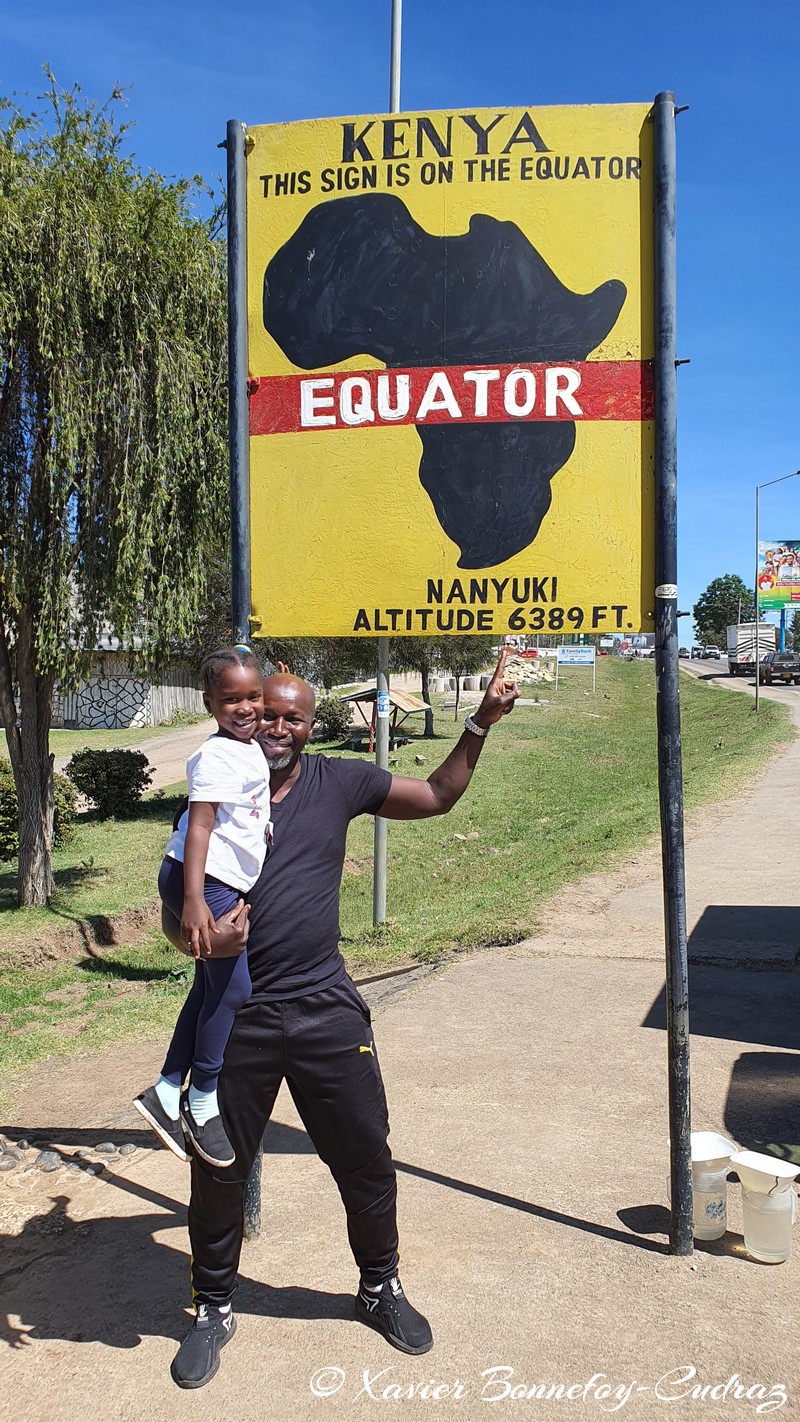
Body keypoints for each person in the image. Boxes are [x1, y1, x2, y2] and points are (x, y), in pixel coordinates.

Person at [163, 648, 518, 1390]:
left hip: (326, 1009)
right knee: (218, 1169)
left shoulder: (339, 780)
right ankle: (213, 1306)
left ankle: (379, 1286)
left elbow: (438, 797)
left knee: (363, 1159)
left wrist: (480, 724)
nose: (278, 726)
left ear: (309, 722)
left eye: (294, 715)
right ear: (246, 710)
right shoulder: (221, 784)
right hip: (243, 1020)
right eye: (267, 711)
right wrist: (203, 940)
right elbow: (182, 910)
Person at [134, 647, 271, 1170]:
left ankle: (167, 1090)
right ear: (209, 704)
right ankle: (202, 1098)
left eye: (253, 696)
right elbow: (199, 826)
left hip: (216, 879)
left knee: (210, 986)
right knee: (234, 988)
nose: (246, 708)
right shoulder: (216, 755)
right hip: (204, 880)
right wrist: (193, 901)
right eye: (231, 699)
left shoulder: (248, 748)